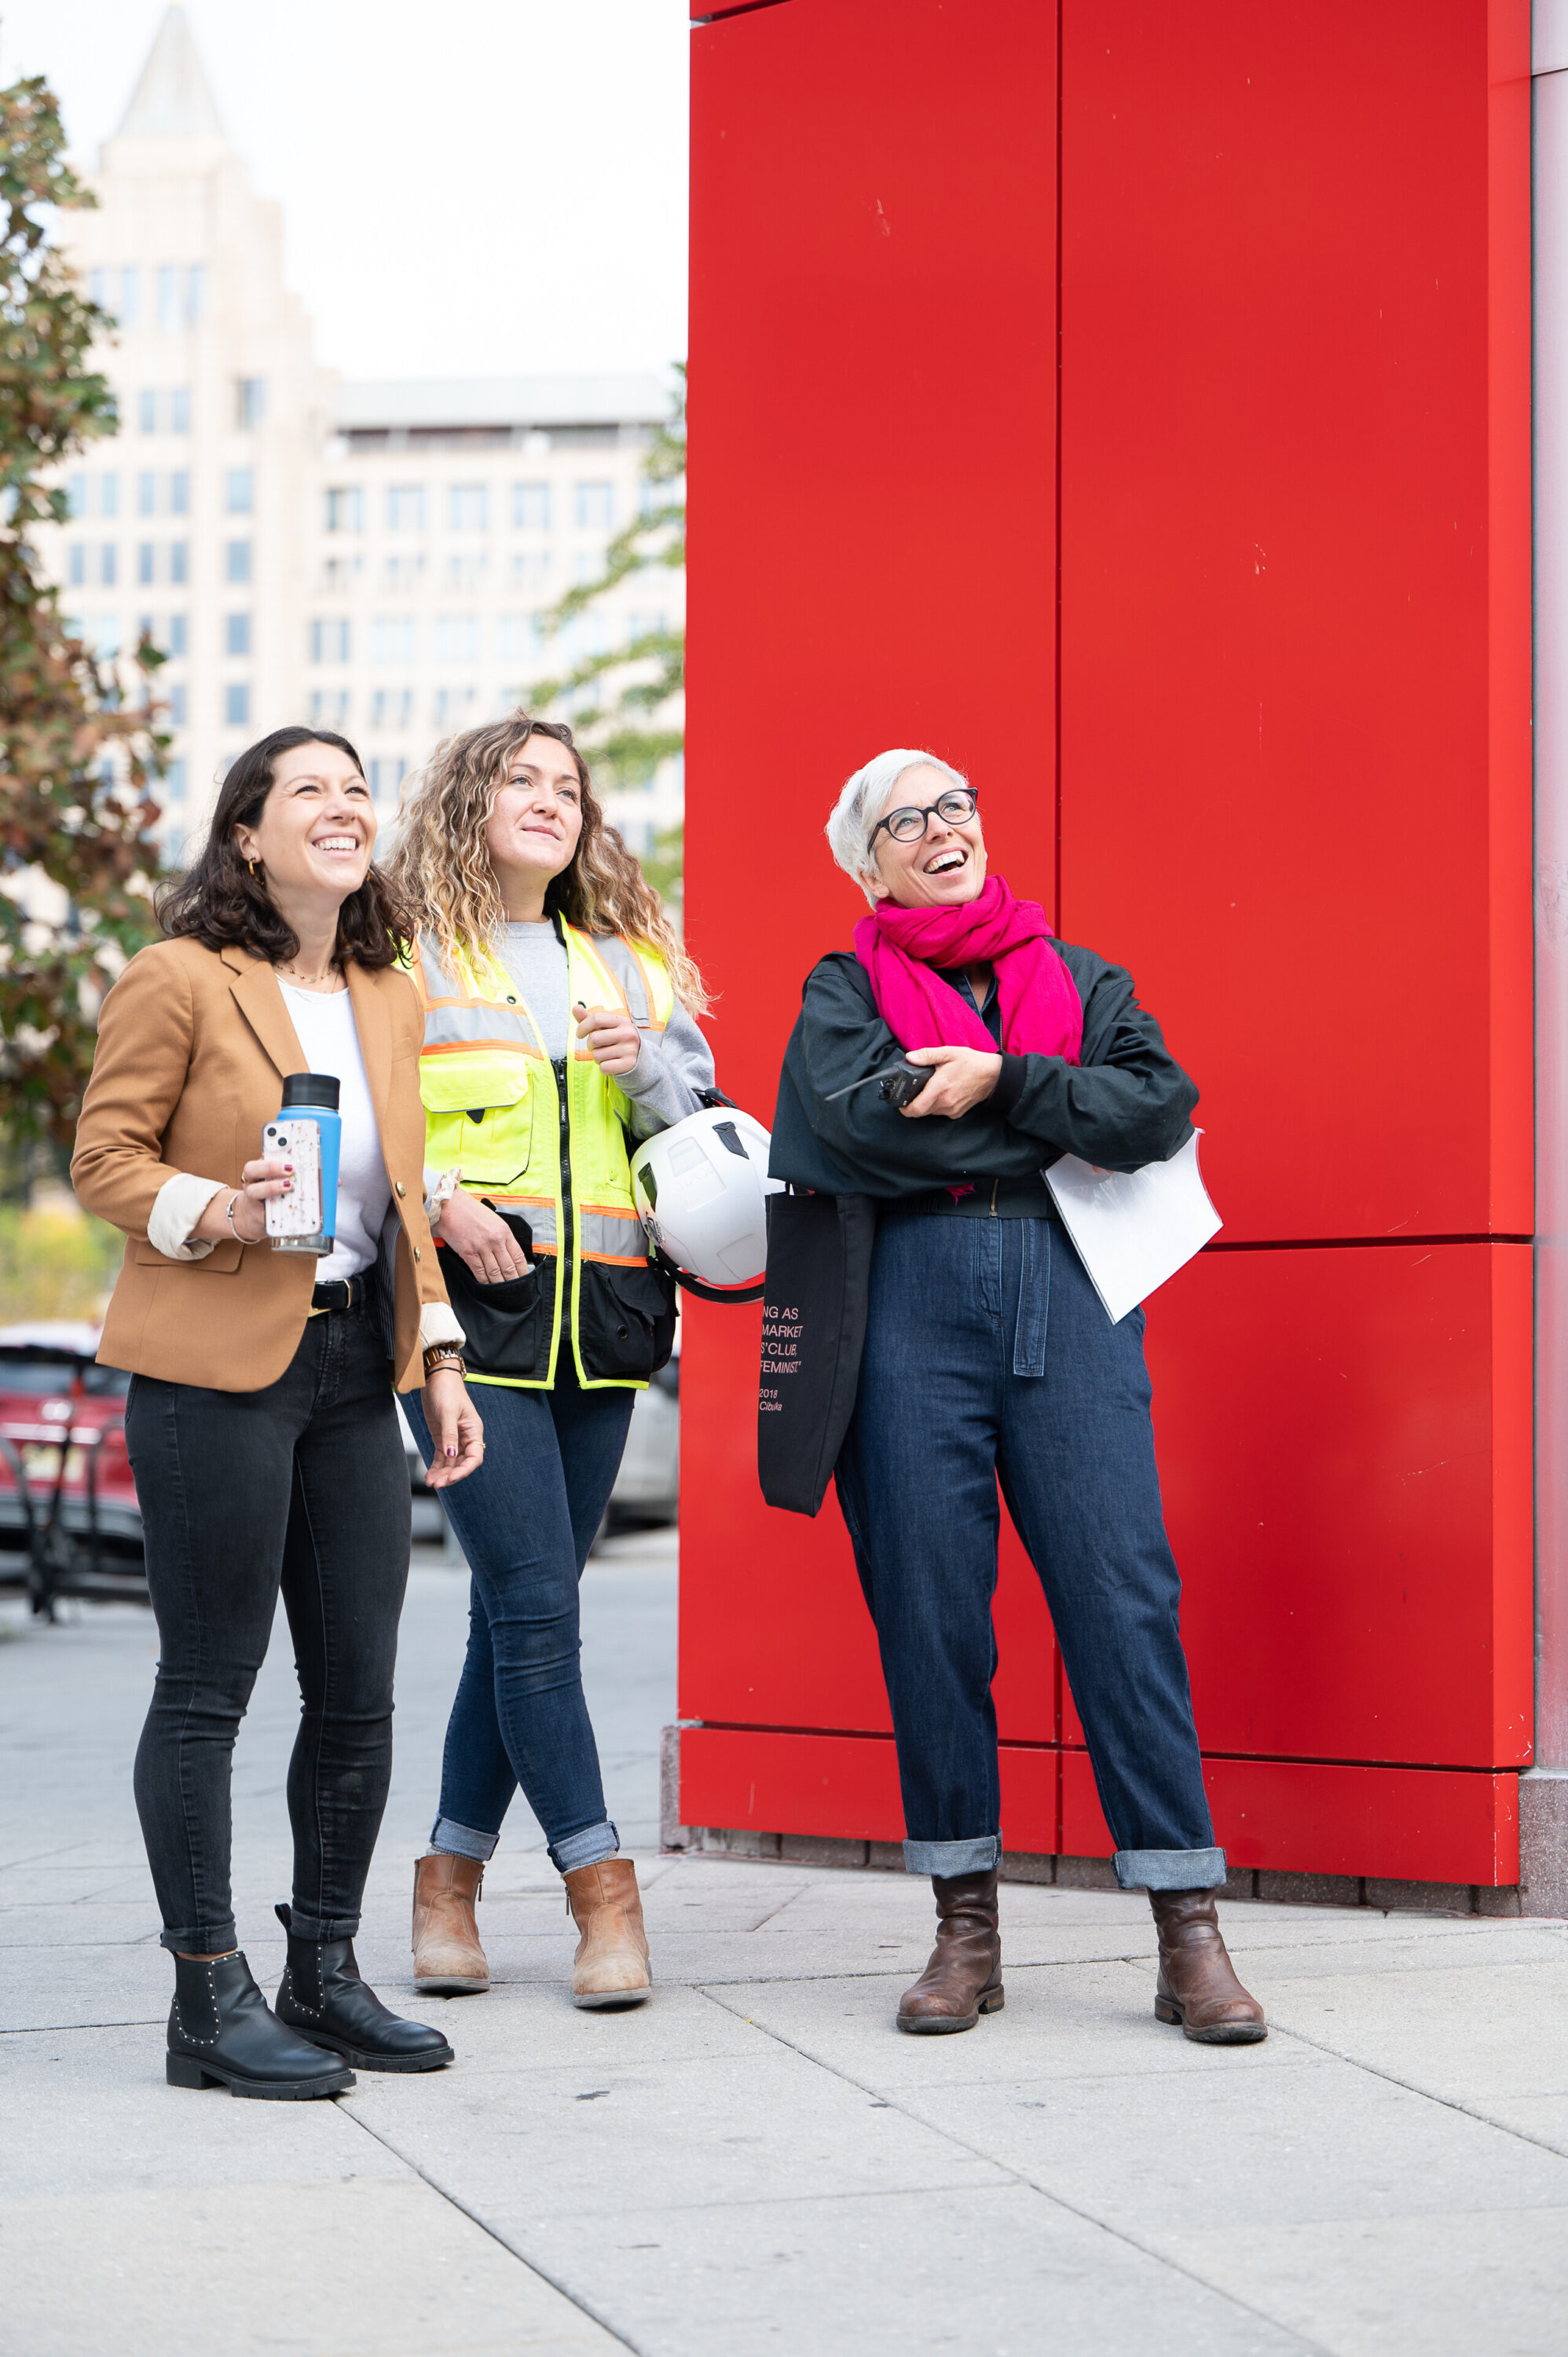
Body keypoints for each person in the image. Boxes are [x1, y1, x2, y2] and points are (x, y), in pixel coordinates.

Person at [771, 748, 1266, 2044]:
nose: (941, 829)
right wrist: (1064, 1121)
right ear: (865, 861)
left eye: (956, 805)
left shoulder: (1085, 977)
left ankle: (1186, 1928)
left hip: (1073, 1301)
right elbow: (850, 1128)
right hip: (909, 1317)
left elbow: (1160, 1109)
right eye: (904, 820)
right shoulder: (843, 989)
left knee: (1122, 1601)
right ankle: (964, 1930)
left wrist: (1005, 1084)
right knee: (931, 1614)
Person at [71, 725, 485, 2099]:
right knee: (207, 1692)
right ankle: (207, 1997)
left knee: (358, 1697)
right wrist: (219, 1210)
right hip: (210, 1371)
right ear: (247, 834)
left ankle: (324, 1969)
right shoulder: (179, 976)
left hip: (352, 1377)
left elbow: (404, 1203)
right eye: (309, 787)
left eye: (358, 789)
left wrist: (438, 1359)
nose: (344, 805)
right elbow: (104, 1157)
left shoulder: (391, 993)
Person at [388, 713, 715, 2008]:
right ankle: (602, 1892)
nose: (547, 801)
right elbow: (366, 1125)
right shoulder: (409, 956)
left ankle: (447, 1883)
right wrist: (445, 1191)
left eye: (567, 786)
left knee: (514, 1614)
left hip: (610, 1328)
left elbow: (704, 1135)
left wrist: (652, 1079)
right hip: (470, 1330)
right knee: (536, 1608)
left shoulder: (634, 967)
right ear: (469, 803)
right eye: (519, 780)